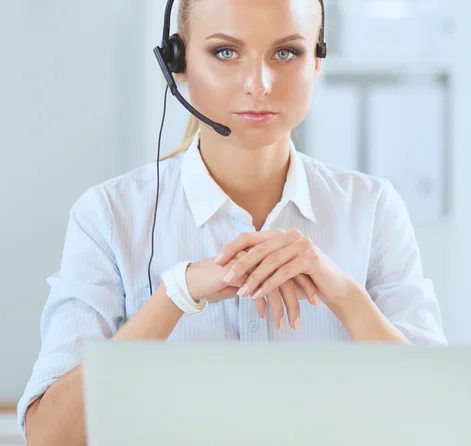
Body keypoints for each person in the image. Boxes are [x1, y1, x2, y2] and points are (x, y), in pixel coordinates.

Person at [19, 0, 446, 444]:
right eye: (226, 52)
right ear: (177, 63)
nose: (258, 85)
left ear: (316, 61)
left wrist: (343, 293)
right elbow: (50, 435)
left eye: (286, 53)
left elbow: (437, 421)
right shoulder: (109, 216)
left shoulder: (372, 208)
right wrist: (174, 296)